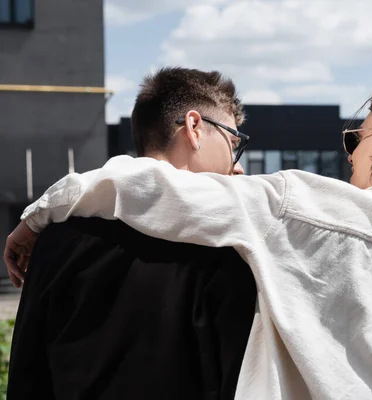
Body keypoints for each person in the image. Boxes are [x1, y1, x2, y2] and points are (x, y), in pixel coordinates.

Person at [6, 80, 372, 399]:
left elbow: (152, 186)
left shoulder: (297, 204)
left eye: (358, 137)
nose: (349, 153)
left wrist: (36, 218)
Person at [5, 67, 257, 399]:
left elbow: (28, 374)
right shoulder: (224, 242)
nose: (237, 166)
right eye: (233, 142)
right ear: (195, 128)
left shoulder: (56, 238)